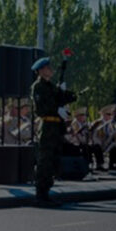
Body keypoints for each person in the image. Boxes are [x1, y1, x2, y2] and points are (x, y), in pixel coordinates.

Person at [30, 57, 77, 205]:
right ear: (41, 70)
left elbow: (68, 98)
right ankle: (40, 194)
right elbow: (41, 109)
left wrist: (64, 91)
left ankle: (46, 193)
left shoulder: (51, 86)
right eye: (48, 67)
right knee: (45, 161)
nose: (51, 69)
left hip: (56, 128)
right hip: (48, 126)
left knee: (53, 161)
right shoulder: (38, 87)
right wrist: (57, 108)